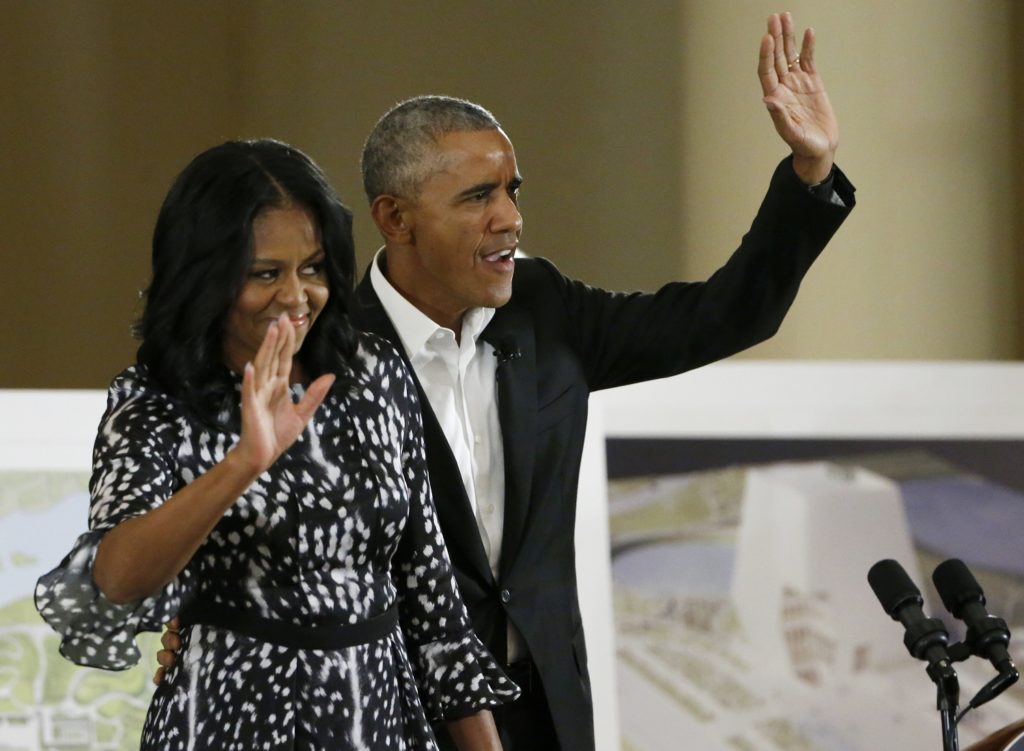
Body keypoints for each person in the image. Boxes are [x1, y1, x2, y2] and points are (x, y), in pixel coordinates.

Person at [156, 11, 856, 749]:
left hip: (545, 712)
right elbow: (250, 522)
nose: (511, 219)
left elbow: (721, 316)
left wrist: (809, 174)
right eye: (478, 197)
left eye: (512, 190)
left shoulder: (545, 310)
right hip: (396, 715)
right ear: (395, 218)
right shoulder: (325, 354)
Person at [34, 138, 519, 750]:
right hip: (228, 719)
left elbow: (431, 598)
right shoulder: (155, 401)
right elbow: (117, 578)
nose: (296, 297)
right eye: (266, 274)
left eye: (312, 268)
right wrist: (245, 462)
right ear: (206, 277)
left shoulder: (374, 373)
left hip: (377, 718)